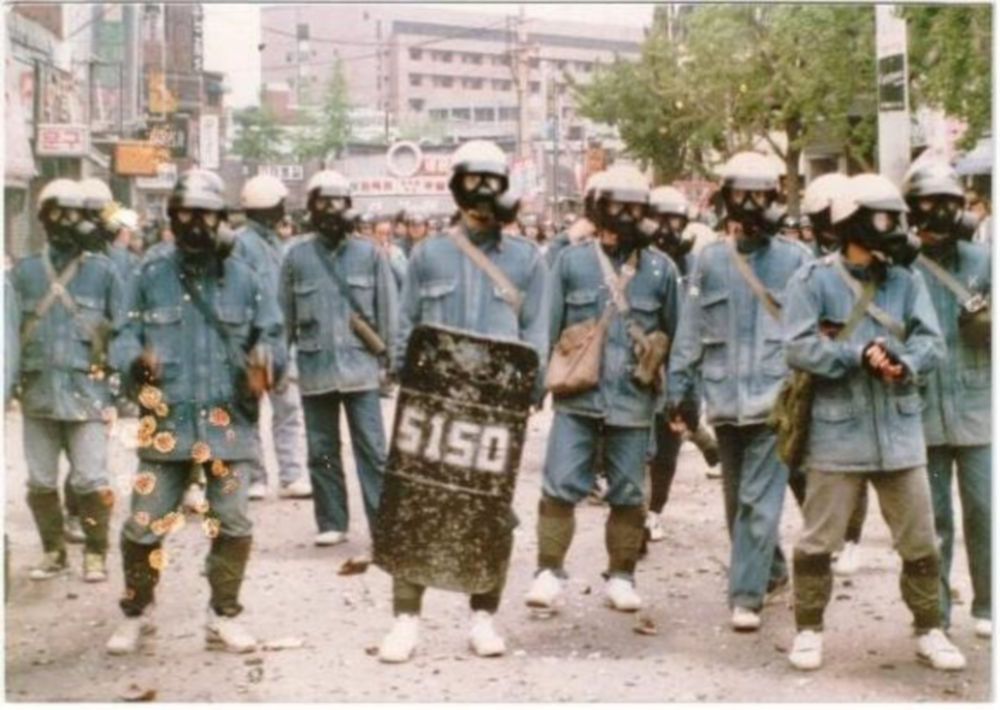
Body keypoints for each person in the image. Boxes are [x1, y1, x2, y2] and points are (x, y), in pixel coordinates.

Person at [783, 172, 965, 672]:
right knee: (818, 540)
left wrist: (904, 361)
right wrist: (855, 355)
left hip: (899, 432)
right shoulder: (812, 281)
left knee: (920, 539)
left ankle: (929, 629)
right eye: (885, 219)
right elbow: (798, 346)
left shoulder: (907, 281)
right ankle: (809, 630)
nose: (897, 229)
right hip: (836, 433)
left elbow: (932, 342)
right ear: (853, 223)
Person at [378, 139, 548, 663]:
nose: (483, 194)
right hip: (434, 404)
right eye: (474, 182)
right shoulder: (429, 254)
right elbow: (407, 324)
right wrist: (403, 375)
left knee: (490, 510)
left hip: (495, 411)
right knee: (416, 503)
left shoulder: (527, 260)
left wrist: (530, 389)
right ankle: (406, 620)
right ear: (457, 188)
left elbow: (536, 334)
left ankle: (483, 617)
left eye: (493, 183)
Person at [105, 168, 285, 655]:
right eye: (185, 213)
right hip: (168, 424)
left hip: (229, 423)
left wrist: (266, 362)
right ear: (172, 216)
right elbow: (122, 334)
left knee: (233, 524)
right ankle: (137, 612)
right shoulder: (149, 274)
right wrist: (135, 362)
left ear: (221, 218)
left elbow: (272, 333)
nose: (195, 224)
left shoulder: (245, 277)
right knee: (143, 525)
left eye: (205, 214)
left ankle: (223, 615)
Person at [667, 152, 811, 632]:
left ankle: (745, 595)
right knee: (736, 506)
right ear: (728, 199)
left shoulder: (797, 259)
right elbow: (690, 331)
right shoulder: (709, 260)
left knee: (756, 502)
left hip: (776, 404)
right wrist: (680, 391)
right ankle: (771, 572)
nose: (751, 205)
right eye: (742, 195)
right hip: (725, 404)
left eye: (760, 195)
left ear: (774, 198)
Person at [526, 165, 679, 615]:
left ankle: (622, 576)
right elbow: (546, 327)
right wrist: (534, 389)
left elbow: (678, 338)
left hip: (633, 400)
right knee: (559, 485)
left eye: (636, 207)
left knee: (629, 493)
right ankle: (548, 571)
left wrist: (677, 399)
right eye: (618, 206)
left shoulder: (661, 269)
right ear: (599, 209)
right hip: (577, 398)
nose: (628, 215)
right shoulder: (571, 262)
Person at [13, 178, 124, 582]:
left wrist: (124, 382)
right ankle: (53, 552)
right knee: (40, 481)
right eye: (57, 213)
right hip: (39, 394)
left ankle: (95, 554)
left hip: (88, 394)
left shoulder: (105, 273)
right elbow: (7, 336)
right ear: (43, 219)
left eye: (74, 214)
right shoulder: (24, 274)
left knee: (91, 478)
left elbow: (124, 331)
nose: (65, 222)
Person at [280, 171, 397, 548]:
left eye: (338, 202)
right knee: (321, 450)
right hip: (315, 369)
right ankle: (331, 521)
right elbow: (284, 318)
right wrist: (279, 364)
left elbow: (388, 311)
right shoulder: (296, 257)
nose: (331, 210)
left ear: (349, 206)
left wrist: (391, 363)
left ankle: (384, 525)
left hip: (361, 369)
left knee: (373, 451)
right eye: (323, 202)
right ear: (311, 207)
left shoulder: (369, 254)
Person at [903, 161, 992, 639]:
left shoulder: (983, 261)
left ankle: (988, 604)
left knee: (985, 511)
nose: (940, 212)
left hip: (978, 410)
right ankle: (933, 614)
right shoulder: (901, 265)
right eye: (929, 202)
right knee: (932, 520)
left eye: (948, 203)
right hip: (922, 412)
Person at [799, 171, 869, 575]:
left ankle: (852, 538)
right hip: (816, 364)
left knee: (855, 457)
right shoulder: (808, 259)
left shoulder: (864, 254)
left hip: (854, 360)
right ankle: (827, 533)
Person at [643, 185, 719, 543]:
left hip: (680, 366)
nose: (668, 229)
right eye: (661, 220)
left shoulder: (693, 266)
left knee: (668, 443)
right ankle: (636, 510)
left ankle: (654, 512)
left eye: (675, 221)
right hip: (642, 364)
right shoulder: (637, 260)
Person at [233, 174, 312, 501]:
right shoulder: (241, 244)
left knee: (287, 408)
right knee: (252, 408)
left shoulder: (277, 243)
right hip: (255, 339)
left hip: (280, 338)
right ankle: (259, 477)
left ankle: (288, 475)